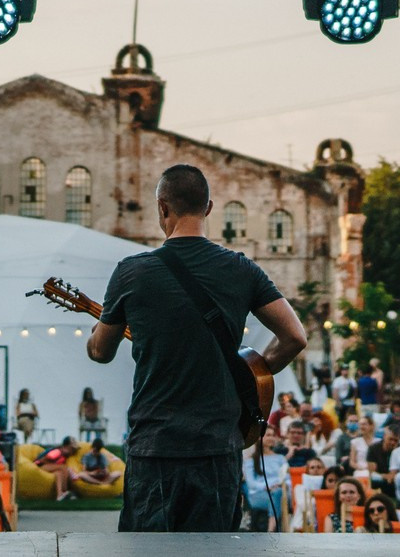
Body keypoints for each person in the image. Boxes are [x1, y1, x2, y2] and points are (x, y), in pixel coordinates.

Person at [87, 162, 308, 533]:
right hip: (218, 448)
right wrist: (253, 376)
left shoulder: (131, 272)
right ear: (208, 208)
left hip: (154, 446)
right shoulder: (242, 269)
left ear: (162, 208)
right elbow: (295, 337)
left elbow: (100, 351)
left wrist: (105, 322)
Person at [242, 426, 290, 530]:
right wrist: (268, 487)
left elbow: (288, 479)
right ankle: (273, 529)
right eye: (268, 435)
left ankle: (270, 529)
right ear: (259, 437)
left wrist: (281, 484)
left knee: (277, 494)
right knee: (276, 496)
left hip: (279, 491)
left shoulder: (280, 458)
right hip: (258, 494)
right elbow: (251, 483)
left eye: (273, 435)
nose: (271, 438)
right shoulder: (251, 460)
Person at [34, 436, 82, 500]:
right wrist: (55, 465)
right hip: (41, 466)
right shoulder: (58, 452)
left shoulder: (65, 456)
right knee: (63, 468)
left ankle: (59, 495)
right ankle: (65, 491)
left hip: (49, 467)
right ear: (65, 447)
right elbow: (43, 460)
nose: (72, 452)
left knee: (58, 473)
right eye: (71, 449)